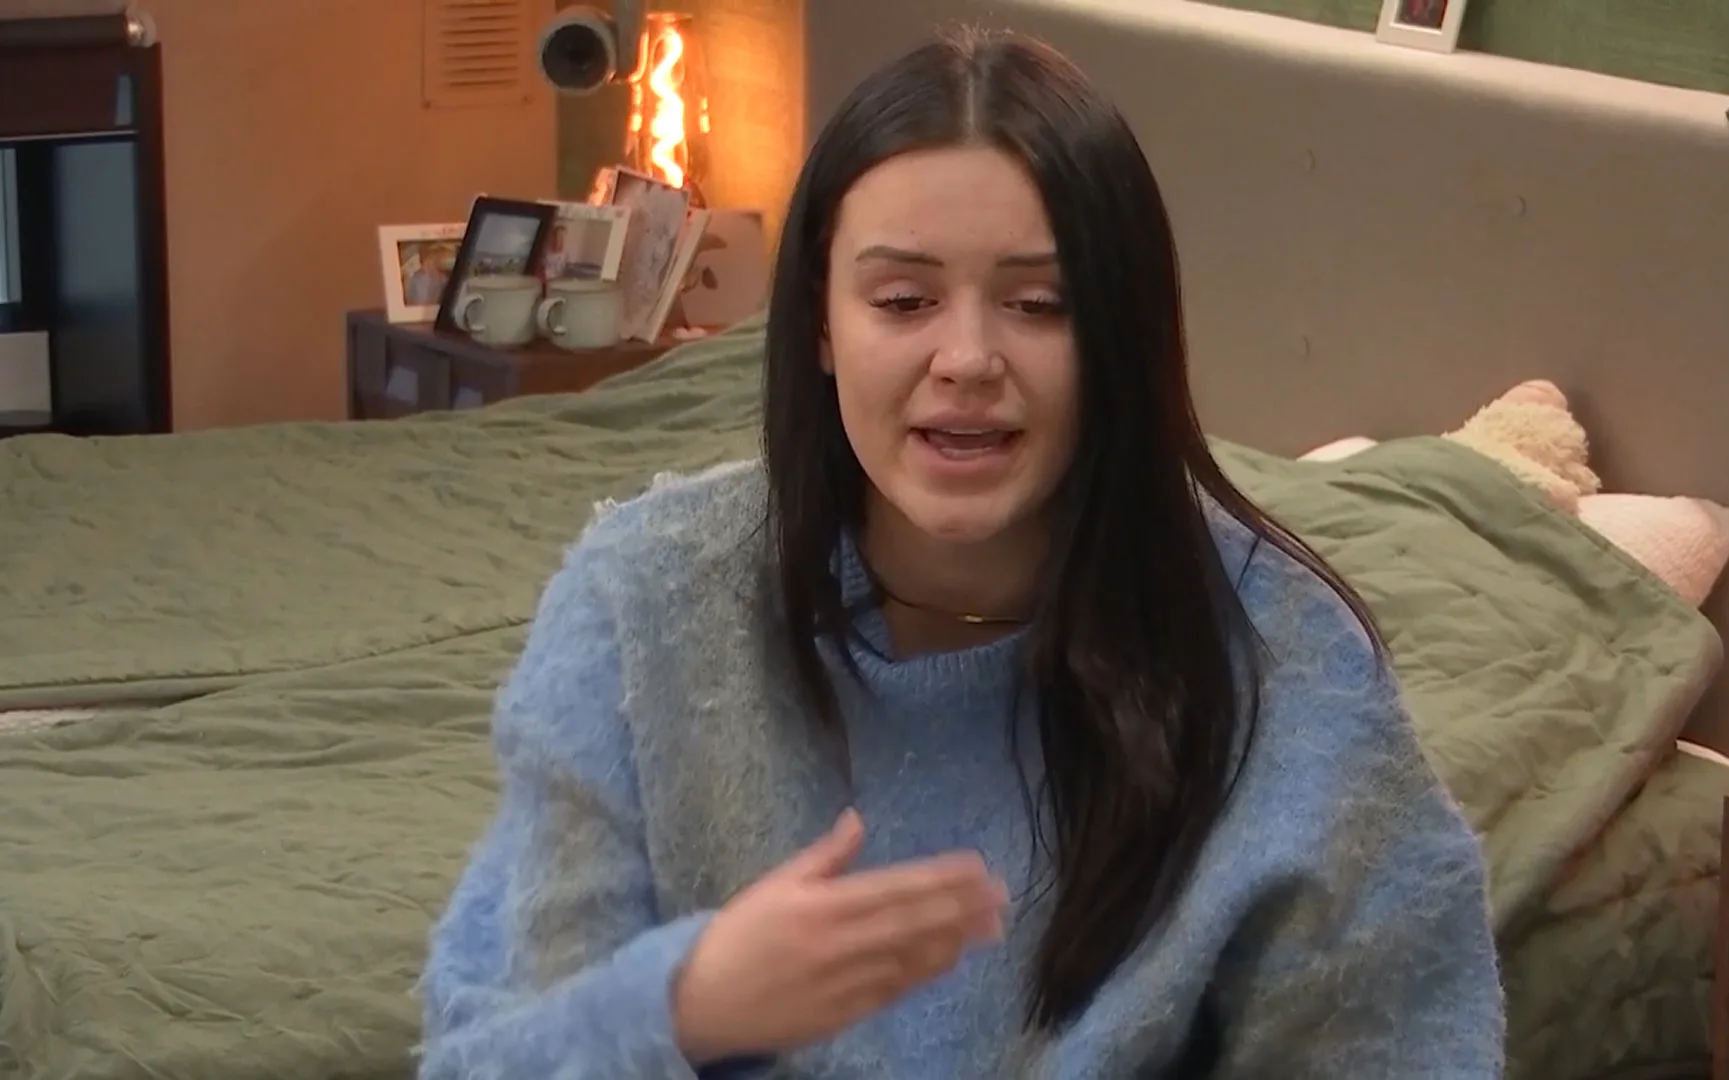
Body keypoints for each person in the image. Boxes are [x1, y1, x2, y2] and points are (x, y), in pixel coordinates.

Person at [416, 27, 1504, 1080]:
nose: (968, 359)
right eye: (904, 301)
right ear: (822, 325)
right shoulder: (643, 603)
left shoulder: (1289, 668)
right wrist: (688, 1005)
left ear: (1120, 334)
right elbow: (484, 1059)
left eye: (1038, 305)